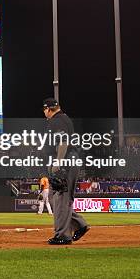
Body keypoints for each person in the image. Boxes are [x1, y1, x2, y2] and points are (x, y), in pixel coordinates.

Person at [43, 98, 90, 245]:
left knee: (61, 199)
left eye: (44, 109)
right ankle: (79, 224)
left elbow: (63, 142)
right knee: (55, 198)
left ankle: (63, 235)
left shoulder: (58, 120)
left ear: (49, 109)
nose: (44, 112)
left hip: (65, 162)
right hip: (67, 160)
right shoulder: (62, 119)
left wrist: (58, 162)